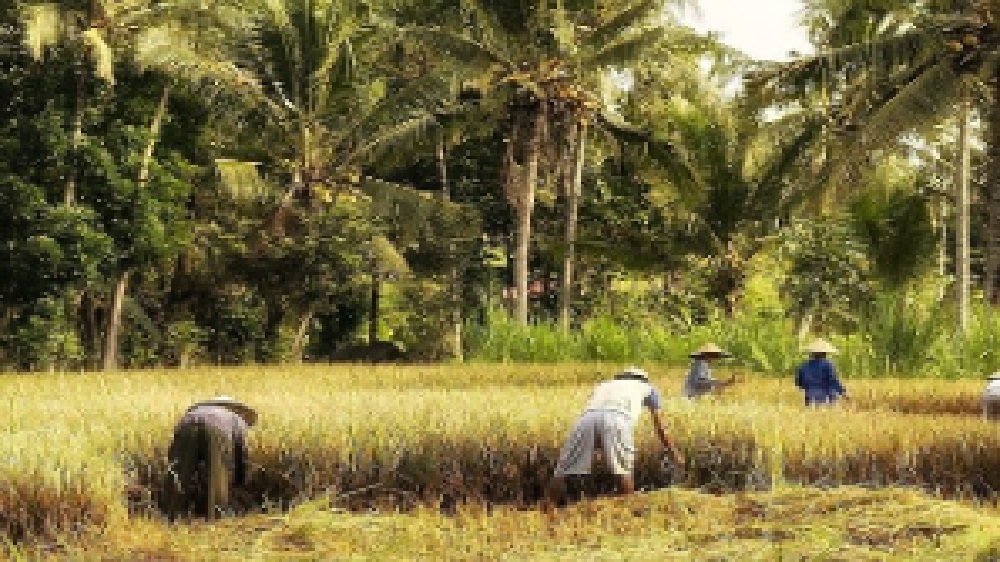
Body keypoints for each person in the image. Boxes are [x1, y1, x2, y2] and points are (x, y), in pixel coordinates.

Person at [543, 366, 684, 511]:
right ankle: (628, 510)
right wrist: (674, 452)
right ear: (643, 380)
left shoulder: (604, 385)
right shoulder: (648, 388)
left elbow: (599, 413)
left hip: (586, 419)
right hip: (618, 420)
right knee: (623, 469)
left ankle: (548, 506)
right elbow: (660, 427)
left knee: (564, 467)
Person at [161, 395, 257, 520]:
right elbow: (241, 454)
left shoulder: (196, 412)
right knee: (219, 474)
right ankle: (216, 518)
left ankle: (170, 514)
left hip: (185, 424)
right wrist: (240, 481)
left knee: (178, 471)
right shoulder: (236, 418)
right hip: (218, 429)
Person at [795, 339, 847, 406]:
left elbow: (798, 383)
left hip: (809, 397)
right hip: (826, 398)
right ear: (824, 353)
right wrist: (843, 392)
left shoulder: (803, 366)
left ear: (812, 353)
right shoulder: (828, 365)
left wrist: (809, 388)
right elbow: (833, 381)